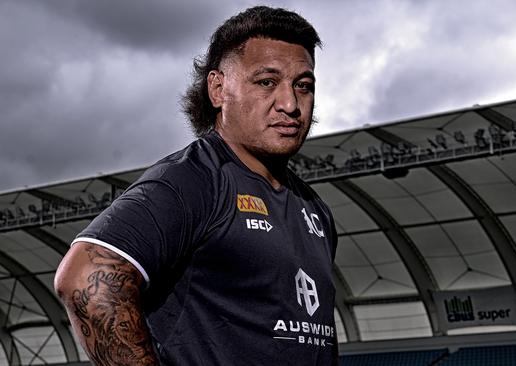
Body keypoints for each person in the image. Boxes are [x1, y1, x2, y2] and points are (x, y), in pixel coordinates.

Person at [54, 5, 338, 365]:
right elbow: (86, 278)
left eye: (303, 86)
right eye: (267, 82)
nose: (290, 104)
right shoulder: (193, 181)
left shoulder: (314, 210)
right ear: (218, 89)